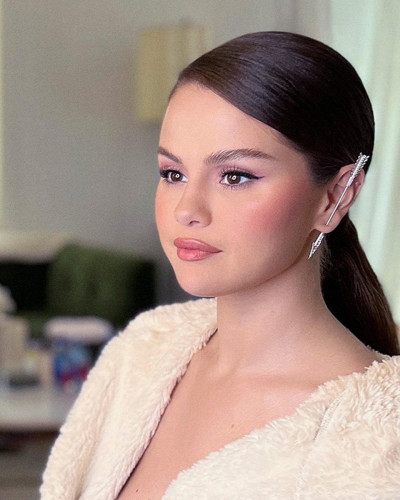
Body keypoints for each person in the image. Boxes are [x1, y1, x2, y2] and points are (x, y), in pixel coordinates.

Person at [40, 32, 400, 499]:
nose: (187, 210)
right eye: (173, 173)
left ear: (337, 195)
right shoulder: (141, 352)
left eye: (235, 176)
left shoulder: (379, 435)